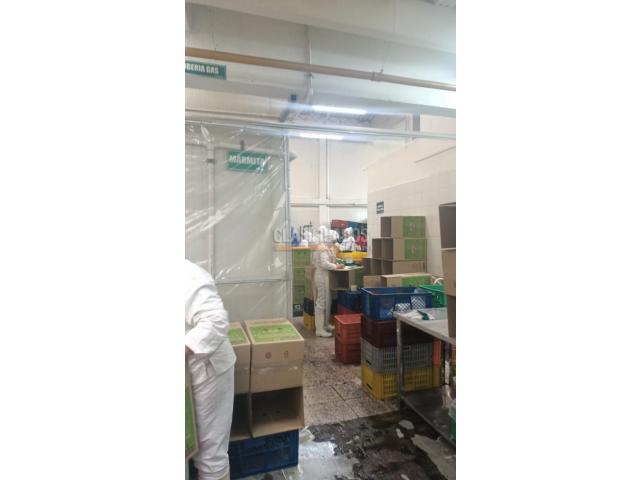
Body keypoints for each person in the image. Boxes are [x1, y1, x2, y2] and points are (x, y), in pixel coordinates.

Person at [185, 259, 236, 480]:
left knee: (210, 453)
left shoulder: (187, 274)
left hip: (208, 370)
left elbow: (215, 321)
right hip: (188, 371)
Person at [312, 229, 344, 337]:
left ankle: (325, 325)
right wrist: (336, 266)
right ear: (329, 239)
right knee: (321, 302)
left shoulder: (326, 247)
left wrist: (336, 262)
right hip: (321, 276)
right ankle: (319, 330)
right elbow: (324, 263)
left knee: (327, 301)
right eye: (333, 241)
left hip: (325, 275)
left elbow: (330, 259)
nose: (334, 243)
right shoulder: (323, 248)